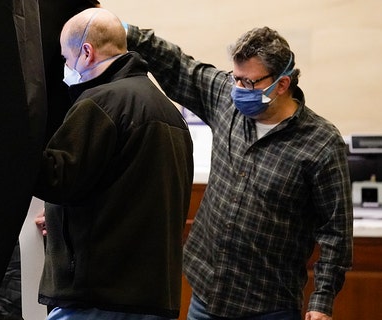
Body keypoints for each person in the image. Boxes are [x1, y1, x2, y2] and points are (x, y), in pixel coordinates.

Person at [123, 22, 353, 320]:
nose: (238, 89)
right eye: (236, 78)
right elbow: (178, 65)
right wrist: (124, 30)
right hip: (206, 292)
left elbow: (336, 231)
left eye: (248, 82)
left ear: (281, 84)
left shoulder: (321, 144)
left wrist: (322, 301)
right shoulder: (225, 98)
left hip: (267, 304)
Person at [33, 7, 194, 320]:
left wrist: (12, 142)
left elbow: (57, 179)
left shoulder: (101, 102)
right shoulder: (168, 112)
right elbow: (124, 194)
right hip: (153, 296)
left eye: (66, 58)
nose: (66, 67)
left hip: (97, 297)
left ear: (87, 52)